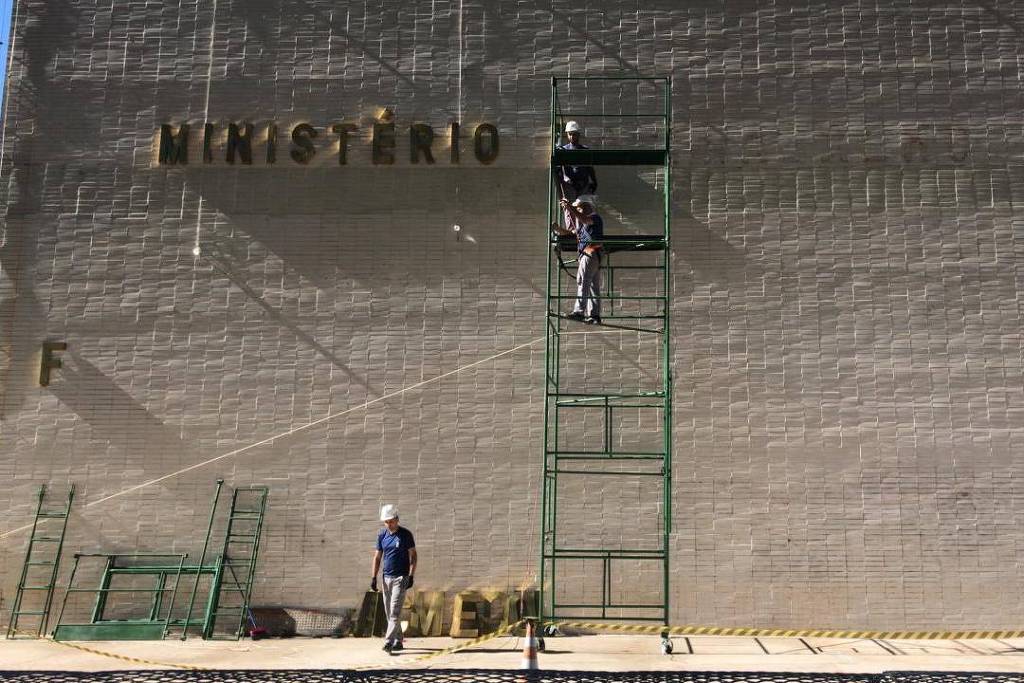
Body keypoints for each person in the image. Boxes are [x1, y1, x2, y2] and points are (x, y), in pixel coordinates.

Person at [370, 504, 417, 654]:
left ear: (397, 519)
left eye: (391, 521)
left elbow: (414, 556)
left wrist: (411, 575)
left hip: (400, 578)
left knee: (394, 612)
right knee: (388, 612)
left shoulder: (405, 535)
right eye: (386, 522)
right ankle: (398, 640)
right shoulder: (382, 536)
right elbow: (377, 557)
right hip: (386, 578)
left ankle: (389, 641)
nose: (389, 524)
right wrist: (374, 577)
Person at [556, 196, 603, 324]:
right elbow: (572, 233)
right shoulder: (584, 224)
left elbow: (585, 219)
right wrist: (557, 229)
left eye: (579, 208)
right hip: (593, 255)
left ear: (586, 206)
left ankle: (579, 311)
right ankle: (594, 315)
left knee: (583, 281)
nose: (578, 211)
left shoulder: (595, 218)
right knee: (593, 286)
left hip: (589, 253)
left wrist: (570, 208)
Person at [555, 120, 597, 203]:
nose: (572, 136)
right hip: (569, 186)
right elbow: (560, 172)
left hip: (583, 184)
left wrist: (594, 181)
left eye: (574, 134)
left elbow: (590, 168)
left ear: (578, 134)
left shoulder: (585, 150)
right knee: (572, 209)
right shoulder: (564, 150)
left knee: (583, 208)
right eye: (569, 134)